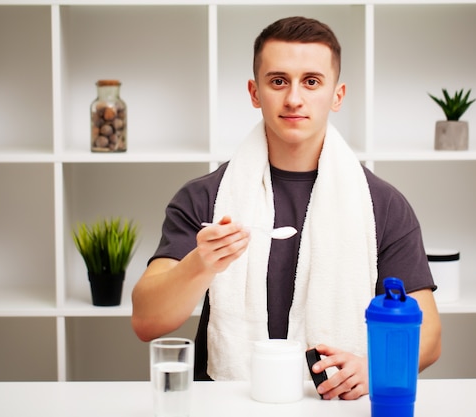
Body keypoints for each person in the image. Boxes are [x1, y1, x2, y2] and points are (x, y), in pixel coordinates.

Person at [131, 16, 441, 400]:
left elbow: (428, 336)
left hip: (333, 401)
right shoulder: (205, 198)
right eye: (278, 81)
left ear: (337, 95)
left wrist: (373, 368)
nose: (294, 98)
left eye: (311, 81)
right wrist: (202, 262)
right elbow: (146, 320)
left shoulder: (383, 204)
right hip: (225, 402)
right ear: (254, 92)